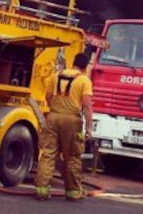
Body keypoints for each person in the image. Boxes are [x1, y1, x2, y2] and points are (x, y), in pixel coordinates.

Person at [34, 52, 93, 201]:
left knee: (48, 153)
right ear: (85, 66)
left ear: (73, 62)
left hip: (53, 117)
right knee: (72, 156)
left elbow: (48, 96)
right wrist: (89, 128)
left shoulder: (56, 76)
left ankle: (42, 190)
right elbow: (86, 105)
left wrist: (55, 108)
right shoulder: (84, 80)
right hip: (72, 121)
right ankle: (73, 192)